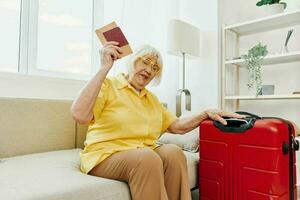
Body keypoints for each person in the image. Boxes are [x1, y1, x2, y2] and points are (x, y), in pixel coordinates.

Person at [71, 41, 244, 200]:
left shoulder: (151, 99)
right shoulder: (108, 85)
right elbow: (79, 115)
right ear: (133, 61)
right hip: (104, 155)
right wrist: (104, 68)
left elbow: (177, 127)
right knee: (147, 158)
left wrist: (205, 113)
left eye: (155, 67)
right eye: (145, 62)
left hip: (141, 151)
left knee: (173, 152)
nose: (149, 69)